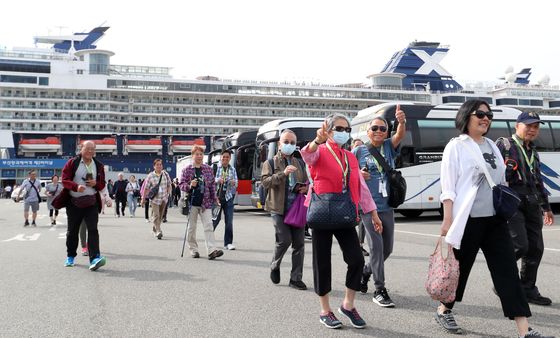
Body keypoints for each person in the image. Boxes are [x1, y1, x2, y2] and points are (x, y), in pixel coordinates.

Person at [437, 100, 553, 338]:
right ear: (466, 116)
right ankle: (444, 309)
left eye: (489, 115)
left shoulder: (491, 145)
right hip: (468, 220)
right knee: (461, 270)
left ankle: (524, 330)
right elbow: (448, 188)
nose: (486, 118)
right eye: (480, 113)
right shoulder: (456, 146)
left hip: (495, 221)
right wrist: (447, 221)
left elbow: (501, 181)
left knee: (508, 273)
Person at [301, 113, 382, 329]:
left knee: (356, 259)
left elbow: (361, 188)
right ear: (327, 130)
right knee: (322, 262)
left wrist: (372, 212)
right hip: (321, 211)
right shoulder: (319, 150)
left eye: (347, 129)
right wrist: (317, 140)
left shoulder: (350, 156)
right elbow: (307, 156)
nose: (343, 132)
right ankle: (325, 310)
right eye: (338, 128)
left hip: (345, 211)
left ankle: (348, 304)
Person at [496, 111, 555, 306]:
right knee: (520, 245)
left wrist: (546, 208)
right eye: (528, 125)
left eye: (536, 127)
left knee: (536, 248)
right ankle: (502, 279)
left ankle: (528, 289)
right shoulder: (503, 145)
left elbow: (538, 180)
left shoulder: (533, 151)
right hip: (512, 201)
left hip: (531, 202)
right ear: (517, 125)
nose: (532, 129)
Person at [352, 105, 407, 307]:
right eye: (374, 128)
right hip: (368, 206)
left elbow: (400, 135)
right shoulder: (358, 150)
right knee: (376, 248)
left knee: (387, 249)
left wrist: (401, 122)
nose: (378, 132)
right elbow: (348, 175)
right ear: (368, 131)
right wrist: (359, 175)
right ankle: (379, 289)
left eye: (382, 128)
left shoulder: (388, 146)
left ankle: (366, 272)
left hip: (387, 206)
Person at [262, 130, 308, 290]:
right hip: (278, 208)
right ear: (280, 144)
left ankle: (296, 278)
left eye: (293, 142)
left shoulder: (300, 163)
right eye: (286, 142)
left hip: (297, 208)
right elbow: (266, 182)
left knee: (299, 244)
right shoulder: (270, 162)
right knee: (284, 240)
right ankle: (275, 265)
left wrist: (306, 188)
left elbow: (307, 181)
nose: (289, 145)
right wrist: (283, 174)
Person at [59, 140, 107, 271]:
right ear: (81, 148)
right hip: (74, 203)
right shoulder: (72, 163)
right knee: (72, 231)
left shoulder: (99, 165)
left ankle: (95, 258)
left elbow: (102, 184)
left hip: (91, 203)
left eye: (93, 149)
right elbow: (64, 180)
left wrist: (95, 184)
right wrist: (75, 187)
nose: (90, 151)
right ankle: (70, 256)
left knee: (93, 230)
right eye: (88, 148)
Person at [179, 145, 224, 260]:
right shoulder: (187, 169)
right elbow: (181, 185)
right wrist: (190, 185)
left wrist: (215, 198)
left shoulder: (208, 169)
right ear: (192, 156)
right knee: (191, 228)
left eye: (201, 154)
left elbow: (212, 186)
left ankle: (211, 250)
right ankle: (193, 249)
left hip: (206, 202)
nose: (199, 156)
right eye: (197, 154)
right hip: (192, 202)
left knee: (208, 225)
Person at [213, 149, 239, 250]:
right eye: (223, 157)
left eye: (227, 157)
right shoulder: (215, 167)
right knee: (215, 220)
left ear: (230, 158)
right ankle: (209, 241)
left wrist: (233, 183)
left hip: (228, 197)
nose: (225, 158)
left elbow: (236, 183)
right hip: (217, 198)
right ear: (221, 157)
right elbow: (210, 180)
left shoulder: (232, 169)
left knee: (229, 221)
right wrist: (217, 180)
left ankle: (228, 243)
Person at [141, 159, 172, 240]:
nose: (159, 166)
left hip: (164, 198)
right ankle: (158, 231)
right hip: (154, 199)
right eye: (157, 165)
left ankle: (154, 229)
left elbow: (169, 185)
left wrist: (168, 193)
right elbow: (146, 188)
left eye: (160, 164)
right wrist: (143, 199)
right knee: (156, 215)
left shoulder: (165, 174)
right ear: (154, 166)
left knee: (161, 216)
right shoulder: (150, 176)